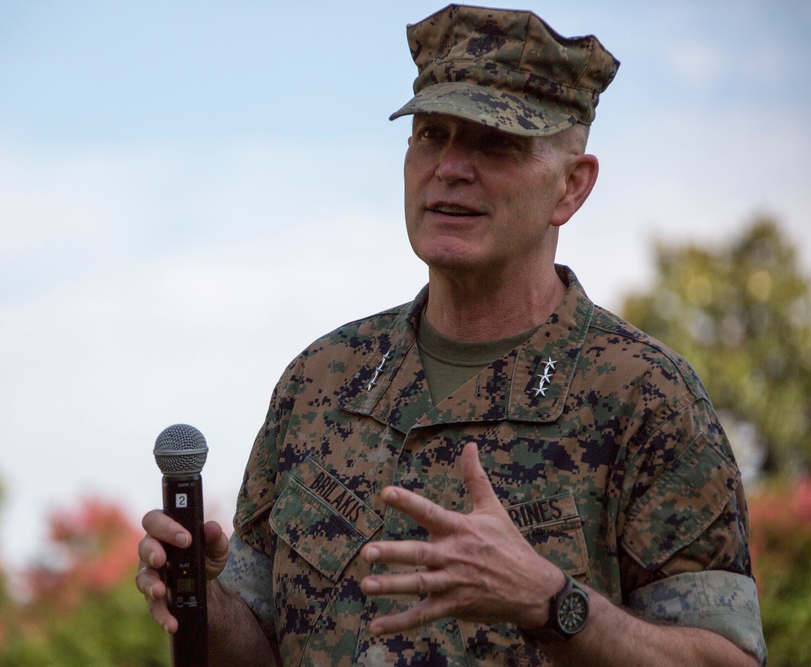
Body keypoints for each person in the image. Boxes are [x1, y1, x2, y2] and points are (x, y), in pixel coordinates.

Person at [136, 5, 767, 666]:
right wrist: (202, 600)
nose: (450, 167)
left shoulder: (644, 396)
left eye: (496, 142)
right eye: (432, 133)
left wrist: (552, 601)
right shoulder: (320, 381)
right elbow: (261, 649)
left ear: (571, 188)